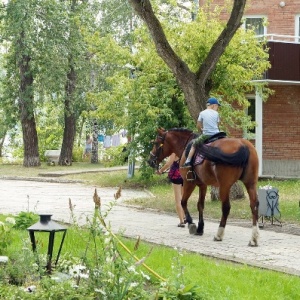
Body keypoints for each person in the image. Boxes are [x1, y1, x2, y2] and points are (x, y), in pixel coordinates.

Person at [182, 97, 221, 168]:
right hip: (217, 134)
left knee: (194, 145)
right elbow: (218, 125)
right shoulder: (216, 113)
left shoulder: (202, 113)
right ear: (213, 105)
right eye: (217, 106)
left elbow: (198, 124)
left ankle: (188, 161)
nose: (217, 107)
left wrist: (201, 129)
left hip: (207, 135)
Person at [156, 153, 186, 227]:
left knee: (178, 199)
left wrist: (160, 170)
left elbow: (169, 163)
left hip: (176, 175)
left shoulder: (175, 151)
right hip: (185, 174)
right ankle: (185, 216)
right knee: (183, 198)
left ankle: (181, 221)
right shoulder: (184, 148)